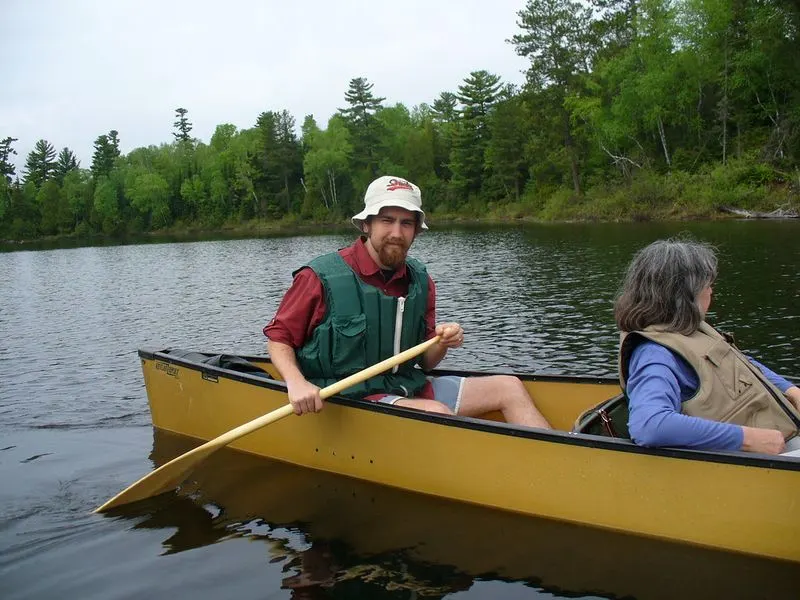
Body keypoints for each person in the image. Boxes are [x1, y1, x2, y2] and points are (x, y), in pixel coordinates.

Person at [264, 175, 551, 428]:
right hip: (345, 396)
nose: (397, 233)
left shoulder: (420, 281)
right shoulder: (320, 276)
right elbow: (279, 337)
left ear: (416, 230)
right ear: (366, 224)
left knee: (509, 387)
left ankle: (556, 466)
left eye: (406, 223)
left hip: (405, 387)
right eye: (387, 220)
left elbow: (425, 363)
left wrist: (442, 342)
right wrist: (295, 382)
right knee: (436, 412)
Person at [614, 238, 800, 456]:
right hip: (754, 461)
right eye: (707, 285)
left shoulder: (688, 328)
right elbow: (648, 425)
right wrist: (746, 439)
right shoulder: (655, 354)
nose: (711, 291)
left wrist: (790, 390)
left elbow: (739, 362)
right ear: (685, 294)